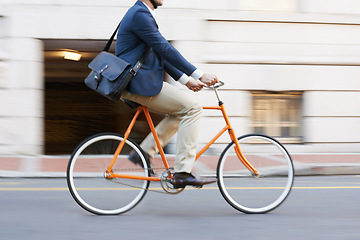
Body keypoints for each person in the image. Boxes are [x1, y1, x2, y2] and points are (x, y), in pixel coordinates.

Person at [115, 0, 219, 188]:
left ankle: (145, 152)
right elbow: (165, 48)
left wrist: (187, 81)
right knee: (193, 109)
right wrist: (200, 74)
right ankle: (182, 172)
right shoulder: (140, 15)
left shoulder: (141, 13)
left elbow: (158, 53)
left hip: (137, 82)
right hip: (138, 83)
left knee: (182, 112)